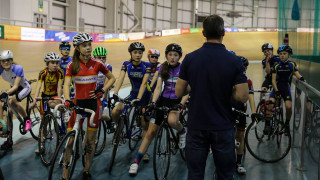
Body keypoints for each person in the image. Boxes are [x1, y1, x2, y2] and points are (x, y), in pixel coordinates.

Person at [175, 14, 249, 180]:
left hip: (197, 126)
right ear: (223, 32)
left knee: (195, 174)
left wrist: (196, 84)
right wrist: (228, 91)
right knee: (225, 175)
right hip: (223, 126)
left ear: (203, 33)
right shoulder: (234, 60)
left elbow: (179, 92)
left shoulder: (190, 58)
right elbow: (243, 96)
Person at [62, 33, 116, 180]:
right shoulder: (72, 65)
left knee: (91, 141)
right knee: (70, 141)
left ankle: (86, 169)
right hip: (78, 103)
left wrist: (102, 90)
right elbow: (66, 84)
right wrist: (67, 100)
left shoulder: (97, 63)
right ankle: (65, 174)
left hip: (94, 104)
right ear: (78, 48)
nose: (88, 48)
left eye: (89, 45)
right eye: (84, 45)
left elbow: (112, 78)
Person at [128, 44, 188, 176]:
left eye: (175, 55)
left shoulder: (183, 68)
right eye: (170, 55)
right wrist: (153, 102)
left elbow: (188, 90)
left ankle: (182, 131)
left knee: (172, 121)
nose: (172, 58)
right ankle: (136, 162)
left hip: (177, 101)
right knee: (150, 133)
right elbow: (158, 87)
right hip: (163, 99)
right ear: (166, 55)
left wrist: (182, 104)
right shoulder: (162, 67)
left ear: (179, 57)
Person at [111, 42, 151, 140]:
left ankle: (144, 153)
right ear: (131, 53)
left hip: (145, 96)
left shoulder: (147, 65)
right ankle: (119, 128)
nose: (138, 55)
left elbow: (143, 84)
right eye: (135, 52)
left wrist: (138, 99)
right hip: (133, 94)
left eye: (140, 53)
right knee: (115, 111)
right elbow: (120, 78)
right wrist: (115, 93)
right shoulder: (126, 64)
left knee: (144, 122)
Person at [266, 45, 305, 136]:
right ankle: (267, 124)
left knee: (288, 107)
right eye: (280, 54)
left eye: (284, 54)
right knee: (270, 103)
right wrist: (276, 91)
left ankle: (286, 124)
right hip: (277, 88)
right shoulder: (276, 66)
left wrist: (302, 78)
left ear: (289, 55)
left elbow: (297, 74)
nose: (282, 55)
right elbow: (273, 80)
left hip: (286, 88)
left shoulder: (292, 64)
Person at [0, 50, 32, 151]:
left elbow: (16, 86)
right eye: (3, 61)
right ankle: (8, 137)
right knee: (9, 110)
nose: (6, 63)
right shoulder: (0, 69)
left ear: (12, 60)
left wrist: (6, 93)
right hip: (12, 87)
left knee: (11, 102)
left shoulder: (18, 68)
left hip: (23, 87)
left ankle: (27, 119)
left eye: (8, 60)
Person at [34, 52, 64, 154]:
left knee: (59, 107)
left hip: (54, 95)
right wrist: (35, 98)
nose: (55, 65)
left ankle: (63, 126)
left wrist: (59, 99)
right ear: (47, 63)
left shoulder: (60, 72)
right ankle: (41, 144)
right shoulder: (43, 73)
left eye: (56, 62)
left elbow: (59, 87)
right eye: (52, 62)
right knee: (44, 123)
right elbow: (38, 86)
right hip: (44, 96)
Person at [231, 56, 257, 174]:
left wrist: (254, 112)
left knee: (240, 135)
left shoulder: (248, 81)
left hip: (240, 110)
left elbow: (250, 96)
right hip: (227, 110)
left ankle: (238, 163)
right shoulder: (227, 79)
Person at [92, 46, 114, 132]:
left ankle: (109, 120)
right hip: (93, 91)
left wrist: (104, 98)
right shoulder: (91, 66)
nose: (101, 59)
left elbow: (107, 83)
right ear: (94, 57)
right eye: (99, 58)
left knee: (98, 113)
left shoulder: (108, 66)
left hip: (103, 91)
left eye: (103, 58)